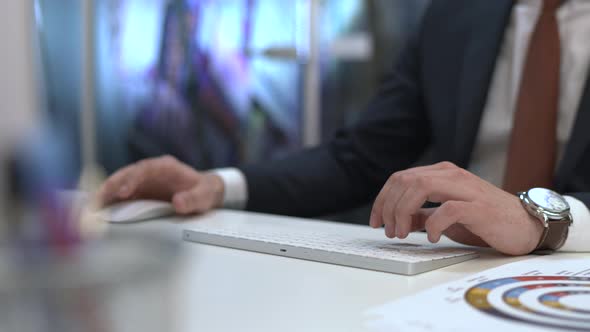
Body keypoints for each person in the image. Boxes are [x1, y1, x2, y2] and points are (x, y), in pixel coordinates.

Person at [98, 0, 590, 256]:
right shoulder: (457, 14)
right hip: (450, 278)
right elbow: (358, 158)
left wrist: (537, 223)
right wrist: (216, 184)